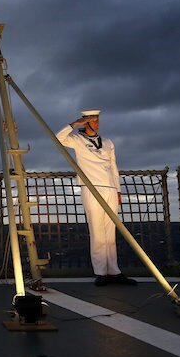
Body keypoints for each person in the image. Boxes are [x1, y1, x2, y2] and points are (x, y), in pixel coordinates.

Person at [55, 110, 137, 286]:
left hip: (109, 189)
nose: (97, 123)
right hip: (91, 188)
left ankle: (114, 271)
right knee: (97, 232)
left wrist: (118, 190)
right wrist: (75, 124)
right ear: (86, 122)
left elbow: (113, 167)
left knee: (110, 232)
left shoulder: (107, 142)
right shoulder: (77, 140)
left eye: (98, 119)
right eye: (93, 120)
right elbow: (58, 138)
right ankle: (101, 272)